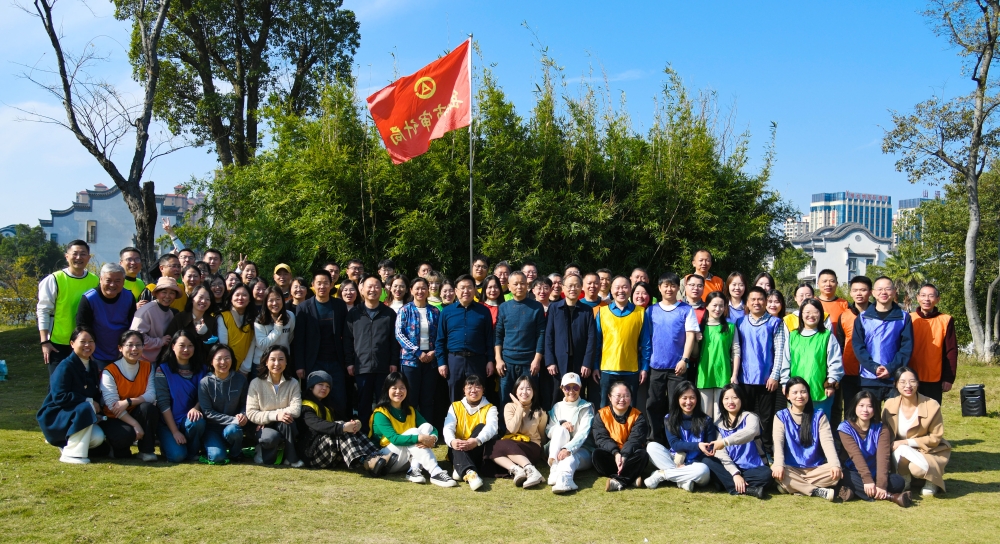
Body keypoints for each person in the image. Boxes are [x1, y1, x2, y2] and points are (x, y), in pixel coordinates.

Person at [298, 370, 395, 474]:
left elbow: (345, 420)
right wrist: (343, 427)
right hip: (312, 455)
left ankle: (378, 455)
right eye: (320, 384)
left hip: (331, 455)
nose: (324, 388)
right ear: (311, 387)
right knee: (341, 426)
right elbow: (318, 425)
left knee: (347, 426)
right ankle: (366, 461)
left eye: (328, 386)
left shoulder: (329, 405)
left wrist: (356, 423)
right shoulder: (306, 406)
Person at [369, 372, 457, 486]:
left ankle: (414, 470)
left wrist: (432, 438)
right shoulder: (380, 413)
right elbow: (394, 439)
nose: (398, 391)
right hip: (386, 458)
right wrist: (420, 438)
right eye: (394, 388)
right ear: (387, 390)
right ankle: (435, 472)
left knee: (427, 427)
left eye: (402, 388)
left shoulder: (410, 410)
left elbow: (432, 428)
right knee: (414, 432)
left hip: (407, 456)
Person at [37, 326, 108, 463]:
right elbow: (59, 397)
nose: (87, 345)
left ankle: (66, 444)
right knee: (87, 407)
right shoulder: (65, 366)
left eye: (91, 341)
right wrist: (88, 401)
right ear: (72, 344)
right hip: (57, 415)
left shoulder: (93, 366)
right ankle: (72, 454)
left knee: (98, 437)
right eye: (83, 341)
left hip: (77, 414)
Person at [644, 271, 699, 444]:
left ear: (678, 288)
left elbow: (690, 336)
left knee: (676, 405)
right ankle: (654, 439)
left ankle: (675, 441)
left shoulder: (686, 310)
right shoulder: (651, 310)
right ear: (659, 288)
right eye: (666, 285)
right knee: (654, 403)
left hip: (678, 367)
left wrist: (684, 360)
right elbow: (647, 337)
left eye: (673, 285)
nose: (669, 289)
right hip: (656, 366)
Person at [882, 367, 951, 496]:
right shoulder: (889, 405)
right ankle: (905, 478)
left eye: (912, 381)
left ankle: (932, 480)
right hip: (899, 453)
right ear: (895, 384)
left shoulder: (932, 405)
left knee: (916, 468)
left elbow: (935, 438)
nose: (908, 386)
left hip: (929, 451)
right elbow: (884, 434)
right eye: (902, 382)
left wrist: (905, 442)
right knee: (900, 450)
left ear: (918, 383)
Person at [734, 286, 786, 457]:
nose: (756, 302)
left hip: (767, 379)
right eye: (753, 299)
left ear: (765, 301)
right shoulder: (740, 322)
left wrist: (775, 375)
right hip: (745, 378)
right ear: (747, 303)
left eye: (760, 299)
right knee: (746, 415)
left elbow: (780, 351)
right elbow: (736, 350)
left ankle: (767, 451)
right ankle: (746, 451)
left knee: (766, 418)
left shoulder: (775, 322)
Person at [771, 377, 843, 501]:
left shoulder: (819, 416)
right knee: (775, 471)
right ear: (787, 396)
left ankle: (793, 487)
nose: (799, 396)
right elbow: (778, 443)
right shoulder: (781, 416)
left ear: (808, 394)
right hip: (791, 468)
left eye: (803, 392)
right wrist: (778, 465)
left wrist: (835, 465)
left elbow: (827, 442)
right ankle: (815, 491)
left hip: (816, 469)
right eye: (795, 392)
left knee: (836, 473)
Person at [346, 276, 400, 434]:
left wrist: (393, 362)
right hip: (361, 366)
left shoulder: (389, 313)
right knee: (363, 404)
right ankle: (364, 435)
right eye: (369, 286)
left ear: (382, 290)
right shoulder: (354, 313)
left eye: (376, 286)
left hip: (383, 366)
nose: (372, 290)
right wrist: (349, 362)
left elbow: (394, 341)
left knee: (384, 404)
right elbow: (347, 340)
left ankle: (383, 434)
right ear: (362, 290)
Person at [838, 390, 911, 506]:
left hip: (875, 473)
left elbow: (883, 458)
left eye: (869, 406)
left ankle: (854, 491)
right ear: (854, 407)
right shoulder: (845, 428)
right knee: (846, 477)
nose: (865, 410)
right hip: (854, 471)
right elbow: (855, 456)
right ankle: (891, 496)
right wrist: (867, 480)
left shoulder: (882, 429)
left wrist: (881, 485)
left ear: (875, 409)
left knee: (898, 481)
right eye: (861, 405)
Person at [37, 240, 100, 376]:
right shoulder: (54, 279)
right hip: (57, 343)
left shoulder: (94, 280)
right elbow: (43, 311)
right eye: (75, 254)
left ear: (89, 257)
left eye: (83, 254)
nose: (78, 257)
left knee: (81, 382)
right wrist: (44, 342)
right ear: (67, 256)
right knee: (58, 382)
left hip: (84, 343)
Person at [293, 270, 349, 418]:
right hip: (314, 361)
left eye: (326, 283)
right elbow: (299, 339)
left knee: (338, 398)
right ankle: (316, 428)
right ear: (313, 285)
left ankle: (340, 427)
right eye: (319, 283)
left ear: (331, 285)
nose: (322, 286)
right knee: (315, 398)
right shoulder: (304, 307)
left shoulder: (339, 305)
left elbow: (346, 335)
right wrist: (300, 365)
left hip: (336, 361)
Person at [97, 330, 158, 461]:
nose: (134, 349)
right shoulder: (109, 371)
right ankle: (112, 445)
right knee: (124, 442)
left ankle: (146, 451)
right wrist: (135, 424)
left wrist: (128, 402)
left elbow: (151, 395)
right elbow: (113, 405)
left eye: (138, 345)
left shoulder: (148, 367)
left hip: (134, 411)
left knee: (148, 408)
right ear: (120, 348)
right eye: (130, 345)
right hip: (113, 417)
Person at [703, 384, 771, 498]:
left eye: (735, 397)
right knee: (707, 461)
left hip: (752, 468)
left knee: (766, 474)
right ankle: (746, 489)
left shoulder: (750, 417)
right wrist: (735, 474)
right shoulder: (718, 424)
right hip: (730, 468)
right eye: (726, 398)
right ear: (722, 402)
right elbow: (721, 453)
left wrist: (725, 442)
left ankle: (726, 483)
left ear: (741, 399)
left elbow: (749, 432)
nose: (730, 401)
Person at [854, 277, 913, 407]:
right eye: (879, 289)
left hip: (895, 378)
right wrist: (874, 368)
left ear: (894, 291)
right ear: (873, 293)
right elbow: (858, 347)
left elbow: (906, 348)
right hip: (869, 378)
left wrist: (890, 368)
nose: (883, 292)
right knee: (869, 415)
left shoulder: (904, 318)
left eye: (887, 289)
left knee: (894, 416)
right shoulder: (863, 318)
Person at [646, 381, 714, 492]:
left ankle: (663, 475)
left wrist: (688, 464)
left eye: (692, 398)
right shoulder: (669, 418)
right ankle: (683, 481)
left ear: (697, 399)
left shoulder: (706, 420)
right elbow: (675, 445)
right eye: (684, 398)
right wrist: (698, 445)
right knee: (651, 447)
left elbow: (709, 449)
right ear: (677, 399)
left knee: (703, 470)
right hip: (675, 460)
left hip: (696, 464)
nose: (688, 402)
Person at [781, 298, 844, 418]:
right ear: (801, 314)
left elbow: (835, 362)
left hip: (820, 391)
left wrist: (831, 383)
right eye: (807, 312)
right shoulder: (793, 336)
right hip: (796, 391)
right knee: (797, 423)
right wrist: (785, 383)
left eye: (815, 312)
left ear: (821, 314)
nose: (811, 315)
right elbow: (786, 362)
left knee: (819, 424)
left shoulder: (827, 336)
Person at [437, 275, 496, 402]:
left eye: (469, 287)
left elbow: (489, 338)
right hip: (454, 360)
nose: (466, 291)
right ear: (456, 290)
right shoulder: (446, 312)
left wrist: (490, 360)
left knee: (477, 395)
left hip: (477, 360)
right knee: (454, 396)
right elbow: (440, 340)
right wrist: (441, 362)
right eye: (462, 288)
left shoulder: (483, 311)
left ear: (474, 290)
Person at [495, 271, 546, 418]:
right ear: (509, 286)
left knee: (530, 399)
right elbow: (498, 334)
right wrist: (498, 359)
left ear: (527, 286)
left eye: (522, 283)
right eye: (515, 284)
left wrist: (537, 359)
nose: (519, 287)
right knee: (505, 398)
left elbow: (541, 334)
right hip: (507, 362)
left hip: (529, 363)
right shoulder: (504, 307)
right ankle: (505, 428)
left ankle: (530, 427)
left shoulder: (536, 307)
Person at [594, 276, 651, 406]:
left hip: (631, 369)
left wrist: (644, 368)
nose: (621, 291)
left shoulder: (640, 312)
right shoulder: (602, 312)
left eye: (625, 287)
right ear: (611, 290)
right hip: (607, 369)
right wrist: (595, 366)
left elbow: (646, 344)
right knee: (605, 407)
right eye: (617, 287)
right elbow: (597, 343)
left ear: (630, 289)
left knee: (630, 408)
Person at [544, 273, 597, 408]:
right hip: (558, 362)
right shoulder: (554, 308)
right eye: (569, 286)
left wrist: (587, 363)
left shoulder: (587, 310)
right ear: (563, 288)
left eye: (576, 286)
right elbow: (549, 336)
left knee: (578, 396)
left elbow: (591, 338)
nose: (573, 289)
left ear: (581, 288)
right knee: (556, 396)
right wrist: (550, 361)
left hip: (580, 363)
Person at [154, 331, 207, 463]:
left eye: (190, 345)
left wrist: (196, 408)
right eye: (182, 345)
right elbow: (163, 403)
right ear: (173, 346)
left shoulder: (202, 370)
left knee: (197, 421)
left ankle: (192, 452)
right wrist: (175, 432)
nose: (186, 350)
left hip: (189, 420)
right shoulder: (163, 369)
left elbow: (205, 395)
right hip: (167, 422)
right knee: (177, 456)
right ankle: (170, 445)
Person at [245, 345, 302, 466]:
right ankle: (263, 452)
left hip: (283, 423)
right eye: (272, 359)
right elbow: (251, 413)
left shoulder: (293, 383)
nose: (277, 363)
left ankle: (291, 459)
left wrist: (278, 416)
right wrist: (276, 415)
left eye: (281, 359)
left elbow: (296, 409)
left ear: (286, 362)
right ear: (266, 362)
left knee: (288, 422)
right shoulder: (255, 383)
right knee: (271, 437)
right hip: (261, 426)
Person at [489, 376, 549, 488]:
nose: (524, 392)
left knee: (502, 445)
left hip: (531, 447)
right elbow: (512, 429)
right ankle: (517, 470)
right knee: (491, 446)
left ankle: (531, 470)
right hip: (511, 444)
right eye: (521, 389)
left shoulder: (540, 412)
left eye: (528, 389)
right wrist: (520, 408)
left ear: (534, 392)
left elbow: (542, 435)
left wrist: (543, 453)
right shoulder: (509, 407)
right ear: (516, 391)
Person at [395, 277, 440, 422]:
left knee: (428, 398)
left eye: (423, 288)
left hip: (431, 360)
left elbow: (441, 335)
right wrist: (417, 351)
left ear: (428, 290)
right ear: (411, 290)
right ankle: (411, 428)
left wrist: (434, 352)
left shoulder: (435, 311)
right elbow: (399, 334)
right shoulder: (405, 310)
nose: (420, 291)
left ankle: (428, 429)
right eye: (417, 288)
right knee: (410, 398)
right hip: (410, 361)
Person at [443, 374, 498, 491]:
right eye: (469, 387)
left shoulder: (490, 408)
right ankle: (470, 472)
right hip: (458, 448)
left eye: (477, 387)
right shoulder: (455, 406)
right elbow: (448, 427)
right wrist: (452, 441)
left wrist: (477, 441)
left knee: (481, 427)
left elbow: (492, 428)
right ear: (464, 390)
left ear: (483, 390)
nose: (473, 390)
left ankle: (460, 467)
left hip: (478, 449)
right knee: (457, 443)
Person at [591, 381, 649, 492]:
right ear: (609, 397)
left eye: (626, 396)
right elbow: (601, 438)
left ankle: (619, 480)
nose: (622, 399)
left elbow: (635, 440)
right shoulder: (601, 415)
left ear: (631, 397)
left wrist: (624, 456)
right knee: (597, 454)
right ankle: (631, 476)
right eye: (618, 396)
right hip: (612, 454)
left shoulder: (638, 416)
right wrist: (616, 453)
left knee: (642, 455)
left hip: (630, 455)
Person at [76, 263, 136, 370]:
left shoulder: (129, 296)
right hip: (97, 354)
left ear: (123, 282)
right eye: (108, 280)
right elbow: (83, 327)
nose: (112, 285)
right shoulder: (89, 298)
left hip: (123, 353)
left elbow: (133, 325)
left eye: (117, 281)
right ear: (101, 279)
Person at [545, 372, 595, 493]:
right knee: (560, 429)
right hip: (557, 451)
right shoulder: (557, 407)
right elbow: (548, 430)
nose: (571, 391)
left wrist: (568, 449)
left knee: (569, 457)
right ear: (562, 388)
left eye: (575, 387)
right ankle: (554, 467)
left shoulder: (587, 407)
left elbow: (583, 433)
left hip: (582, 450)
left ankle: (565, 480)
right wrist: (561, 424)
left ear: (580, 388)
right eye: (567, 388)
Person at [198, 343, 248, 464]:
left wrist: (243, 415)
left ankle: (236, 453)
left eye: (227, 358)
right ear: (211, 361)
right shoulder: (205, 383)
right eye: (219, 358)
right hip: (212, 428)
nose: (223, 362)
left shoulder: (240, 379)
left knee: (233, 431)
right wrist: (233, 420)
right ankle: (213, 447)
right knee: (217, 457)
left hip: (232, 427)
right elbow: (208, 412)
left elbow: (246, 404)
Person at [908, 284, 958, 404]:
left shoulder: (946, 320)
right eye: (923, 295)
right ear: (917, 298)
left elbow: (951, 351)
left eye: (931, 296)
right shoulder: (908, 318)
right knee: (910, 412)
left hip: (934, 377)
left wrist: (948, 378)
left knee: (932, 412)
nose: (926, 299)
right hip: (910, 376)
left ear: (937, 299)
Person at [833, 275, 871, 422]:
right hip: (849, 371)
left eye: (863, 290)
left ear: (870, 292)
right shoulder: (844, 316)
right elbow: (840, 345)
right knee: (850, 408)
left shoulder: (877, 315)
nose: (859, 293)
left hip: (871, 372)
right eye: (855, 290)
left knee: (870, 409)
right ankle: (849, 435)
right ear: (850, 293)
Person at [697, 292, 738, 420]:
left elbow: (736, 352)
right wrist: (696, 341)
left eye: (721, 306)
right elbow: (694, 354)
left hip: (724, 374)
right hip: (704, 375)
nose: (718, 309)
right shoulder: (700, 328)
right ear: (707, 306)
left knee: (721, 415)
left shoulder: (730, 327)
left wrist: (734, 375)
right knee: (705, 414)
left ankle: (720, 434)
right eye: (714, 305)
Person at [131, 277, 181, 363]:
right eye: (164, 292)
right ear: (156, 293)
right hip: (141, 360)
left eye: (172, 293)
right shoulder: (147, 311)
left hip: (159, 359)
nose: (167, 296)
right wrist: (160, 341)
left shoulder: (170, 313)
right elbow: (136, 337)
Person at [249, 286, 295, 373]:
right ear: (265, 302)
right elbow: (262, 344)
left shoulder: (290, 316)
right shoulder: (260, 320)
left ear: (282, 300)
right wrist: (277, 329)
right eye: (271, 300)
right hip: (262, 363)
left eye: (278, 299)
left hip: (282, 363)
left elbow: (290, 338)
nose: (275, 303)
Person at [165, 284, 219, 354]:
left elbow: (214, 349)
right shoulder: (180, 318)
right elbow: (169, 343)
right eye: (200, 297)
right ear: (192, 299)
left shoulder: (212, 321)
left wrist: (206, 334)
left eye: (207, 299)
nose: (203, 301)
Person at [217, 283, 256, 375]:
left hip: (244, 368)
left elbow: (252, 344)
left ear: (250, 299)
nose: (240, 298)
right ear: (231, 298)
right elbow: (223, 344)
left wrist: (245, 369)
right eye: (237, 295)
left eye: (244, 295)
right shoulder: (223, 317)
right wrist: (228, 365)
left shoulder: (254, 318)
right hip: (225, 366)